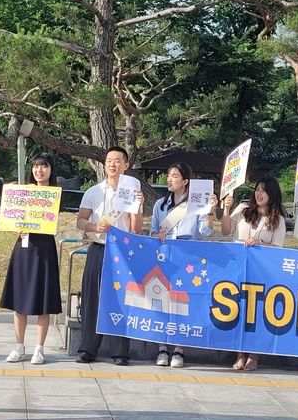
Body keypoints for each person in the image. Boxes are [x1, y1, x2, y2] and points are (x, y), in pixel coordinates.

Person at [76, 146, 143, 366]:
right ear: (104, 165)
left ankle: (120, 352)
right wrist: (95, 226)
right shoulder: (93, 192)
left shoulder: (132, 191)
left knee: (121, 300)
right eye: (109, 161)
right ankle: (87, 348)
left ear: (126, 165)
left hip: (122, 253)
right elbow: (80, 221)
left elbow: (136, 230)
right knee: (92, 299)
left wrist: (138, 206)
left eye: (117, 161)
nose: (113, 165)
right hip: (98, 248)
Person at [150, 162, 217, 368]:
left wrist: (211, 212)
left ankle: (179, 349)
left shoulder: (197, 205)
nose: (170, 179)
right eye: (168, 175)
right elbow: (152, 231)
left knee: (183, 303)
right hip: (166, 259)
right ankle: (162, 347)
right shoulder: (160, 205)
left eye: (175, 176)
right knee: (162, 300)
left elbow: (205, 233)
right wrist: (158, 235)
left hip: (188, 260)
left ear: (186, 181)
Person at [0, 153, 63, 365]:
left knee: (42, 301)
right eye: (36, 166)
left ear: (51, 170)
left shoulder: (53, 194)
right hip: (23, 248)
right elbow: (10, 216)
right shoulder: (23, 192)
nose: (39, 170)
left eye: (44, 166)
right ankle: (19, 346)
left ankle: (39, 348)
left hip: (44, 249)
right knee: (19, 300)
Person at [220, 177, 287, 371]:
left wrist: (260, 245)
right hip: (238, 268)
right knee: (239, 310)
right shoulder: (242, 210)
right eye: (257, 189)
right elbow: (225, 231)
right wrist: (225, 210)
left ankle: (254, 355)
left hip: (262, 273)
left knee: (256, 313)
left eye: (263, 190)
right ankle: (240, 353)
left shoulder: (278, 220)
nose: (259, 194)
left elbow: (278, 249)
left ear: (272, 194)